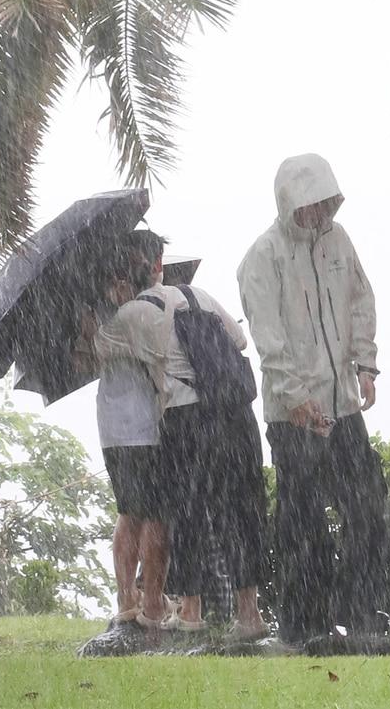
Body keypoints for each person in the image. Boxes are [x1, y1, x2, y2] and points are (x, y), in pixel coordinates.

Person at [237, 154, 390, 643]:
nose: (318, 211)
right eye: (309, 203)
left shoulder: (338, 242)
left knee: (366, 504)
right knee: (301, 518)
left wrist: (365, 365)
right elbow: (268, 336)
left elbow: (361, 299)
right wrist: (294, 395)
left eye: (325, 201)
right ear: (288, 202)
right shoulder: (262, 257)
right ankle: (305, 624)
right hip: (292, 413)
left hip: (342, 405)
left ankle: (364, 615)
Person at [96, 230, 269, 639]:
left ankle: (191, 611)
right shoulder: (198, 295)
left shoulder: (132, 314)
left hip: (186, 416)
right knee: (242, 509)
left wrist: (108, 308)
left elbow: (99, 348)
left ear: (126, 269)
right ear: (159, 264)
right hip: (234, 412)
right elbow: (240, 339)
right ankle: (250, 614)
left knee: (189, 510)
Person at [73, 256, 172, 628]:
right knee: (151, 514)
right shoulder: (133, 312)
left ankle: (131, 598)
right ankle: (147, 603)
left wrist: (91, 335)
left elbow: (87, 359)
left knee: (131, 511)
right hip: (140, 424)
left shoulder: (105, 316)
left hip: (118, 425)